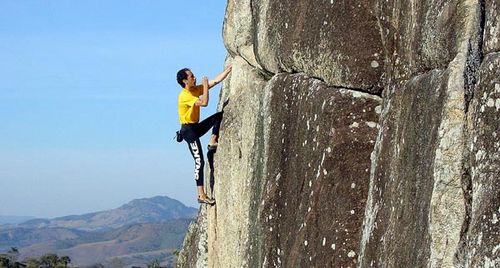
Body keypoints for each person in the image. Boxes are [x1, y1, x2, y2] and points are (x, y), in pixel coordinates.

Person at [177, 67, 232, 205]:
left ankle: (213, 140)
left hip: (195, 126)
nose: (194, 77)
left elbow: (215, 81)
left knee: (218, 116)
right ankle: (201, 195)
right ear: (185, 81)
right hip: (188, 131)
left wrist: (229, 69)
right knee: (199, 161)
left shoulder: (195, 89)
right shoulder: (185, 96)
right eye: (191, 76)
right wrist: (205, 85)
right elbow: (204, 103)